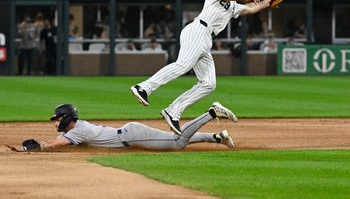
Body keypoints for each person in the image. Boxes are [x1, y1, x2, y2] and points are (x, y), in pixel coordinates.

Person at [131, 0, 273, 135]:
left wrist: (268, 1)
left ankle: (173, 111)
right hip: (198, 30)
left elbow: (251, 9)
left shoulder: (233, 5)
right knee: (183, 65)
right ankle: (143, 87)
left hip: (206, 39)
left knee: (209, 83)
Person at [5, 102, 237, 152]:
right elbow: (57, 140)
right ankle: (217, 137)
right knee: (170, 138)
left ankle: (211, 113)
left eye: (57, 119)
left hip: (132, 135)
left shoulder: (77, 131)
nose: (55, 123)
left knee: (177, 143)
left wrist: (30, 148)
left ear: (66, 118)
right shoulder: (77, 128)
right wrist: (40, 142)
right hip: (131, 133)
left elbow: (56, 143)